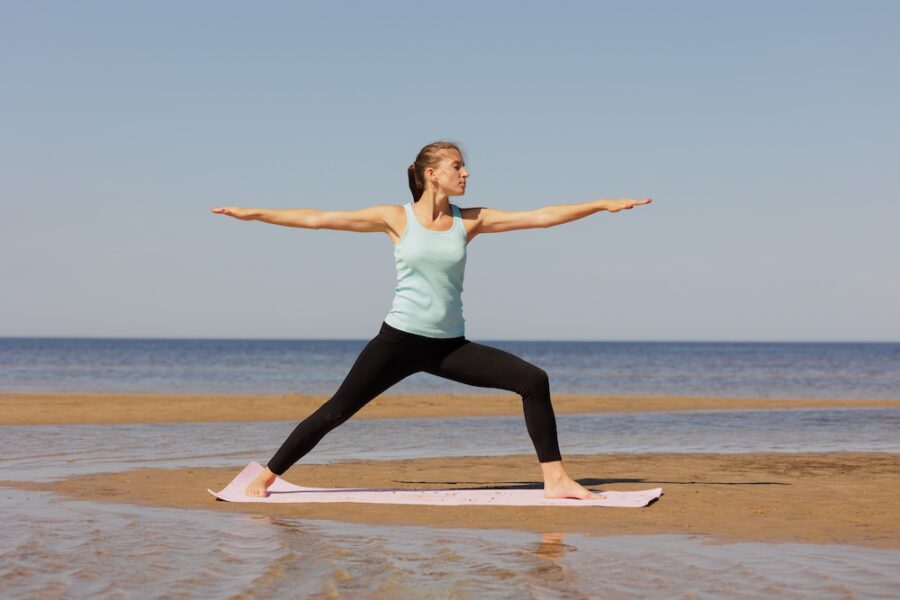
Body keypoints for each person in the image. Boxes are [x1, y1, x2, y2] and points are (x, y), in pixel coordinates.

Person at [211, 141, 651, 499]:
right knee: (337, 410)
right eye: (457, 166)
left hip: (448, 346)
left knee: (533, 380)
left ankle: (555, 480)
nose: (466, 173)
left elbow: (540, 216)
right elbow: (318, 219)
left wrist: (601, 204)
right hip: (399, 341)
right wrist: (254, 213)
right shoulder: (395, 218)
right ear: (432, 174)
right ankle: (266, 477)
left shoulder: (470, 220)